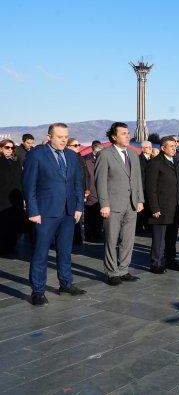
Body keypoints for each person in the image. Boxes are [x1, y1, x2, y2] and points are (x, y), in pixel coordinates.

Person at [23, 123, 86, 306]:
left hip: (68, 211)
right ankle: (38, 291)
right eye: (59, 137)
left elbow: (77, 184)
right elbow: (29, 185)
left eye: (66, 136)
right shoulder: (37, 154)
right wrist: (33, 211)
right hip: (45, 212)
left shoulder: (72, 156)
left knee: (65, 251)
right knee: (41, 252)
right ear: (49, 136)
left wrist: (78, 207)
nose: (64, 140)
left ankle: (66, 284)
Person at [95, 122, 145, 286]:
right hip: (113, 205)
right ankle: (111, 272)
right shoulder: (106, 154)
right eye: (123, 133)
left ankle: (123, 269)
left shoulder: (133, 153)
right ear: (114, 137)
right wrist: (104, 204)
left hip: (131, 205)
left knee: (128, 240)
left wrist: (139, 200)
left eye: (128, 133)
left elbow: (137, 179)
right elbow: (100, 181)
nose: (128, 135)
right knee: (111, 240)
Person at [144, 137, 179, 274]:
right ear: (163, 148)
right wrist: (154, 207)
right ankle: (156, 263)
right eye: (171, 146)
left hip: (175, 207)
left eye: (175, 145)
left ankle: (170, 260)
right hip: (161, 207)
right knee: (159, 238)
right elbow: (150, 187)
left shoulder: (176, 161)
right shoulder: (155, 163)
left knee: (172, 237)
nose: (174, 148)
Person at [0, 140, 24, 253]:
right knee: (3, 222)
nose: (10, 150)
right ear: (1, 148)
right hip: (2, 196)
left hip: (15, 195)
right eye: (7, 147)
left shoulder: (16, 161)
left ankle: (11, 245)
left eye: (12, 148)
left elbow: (21, 178)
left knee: (14, 222)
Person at [66, 138, 87, 245]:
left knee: (79, 215)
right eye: (75, 145)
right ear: (68, 147)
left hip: (80, 190)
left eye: (78, 145)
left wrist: (86, 189)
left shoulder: (80, 158)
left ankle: (78, 238)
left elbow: (85, 175)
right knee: (71, 215)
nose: (78, 147)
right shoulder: (67, 159)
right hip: (71, 192)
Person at [83, 141, 104, 242]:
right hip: (91, 190)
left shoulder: (102, 160)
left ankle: (98, 232)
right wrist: (86, 190)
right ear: (94, 151)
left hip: (100, 190)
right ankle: (89, 234)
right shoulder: (87, 161)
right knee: (90, 214)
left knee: (99, 214)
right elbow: (86, 177)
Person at [136, 140, 154, 234]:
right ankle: (139, 227)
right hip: (142, 187)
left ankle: (148, 225)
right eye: (148, 147)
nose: (150, 148)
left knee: (149, 207)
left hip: (150, 188)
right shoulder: (138, 159)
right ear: (143, 149)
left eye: (151, 147)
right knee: (141, 209)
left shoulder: (153, 159)